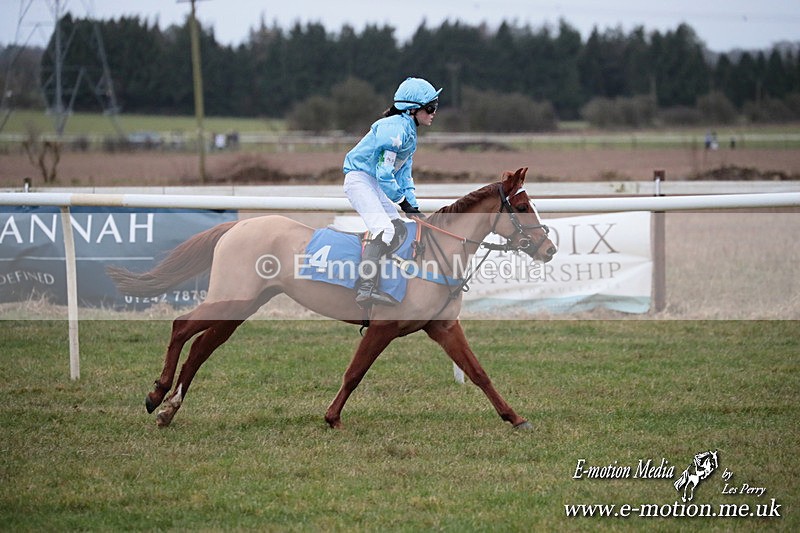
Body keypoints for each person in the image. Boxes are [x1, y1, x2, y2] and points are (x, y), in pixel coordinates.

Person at [343, 77, 442, 307]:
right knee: (384, 229)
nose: (434, 112)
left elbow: (404, 175)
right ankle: (365, 288)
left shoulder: (408, 132)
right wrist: (402, 201)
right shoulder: (394, 129)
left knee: (397, 227)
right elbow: (384, 172)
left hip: (373, 183)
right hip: (360, 180)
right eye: (430, 108)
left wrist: (413, 206)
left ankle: (380, 280)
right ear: (412, 109)